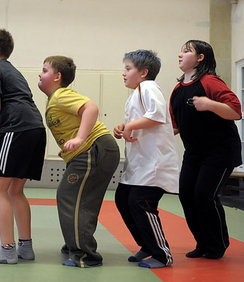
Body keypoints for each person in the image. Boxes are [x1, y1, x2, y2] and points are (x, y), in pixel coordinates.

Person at [38, 55, 120, 268]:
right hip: (92, 151)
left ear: (57, 76)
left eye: (45, 70)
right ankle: (75, 243)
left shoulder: (61, 95)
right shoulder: (54, 99)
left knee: (70, 196)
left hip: (94, 149)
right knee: (76, 198)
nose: (40, 73)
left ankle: (84, 254)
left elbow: (90, 108)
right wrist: (68, 144)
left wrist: (80, 138)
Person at [0, 29, 46, 264]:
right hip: (36, 129)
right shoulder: (12, 70)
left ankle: (7, 250)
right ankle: (25, 248)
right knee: (15, 190)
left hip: (16, 130)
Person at [170, 40, 242, 259]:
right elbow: (173, 127)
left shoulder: (210, 81)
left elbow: (235, 111)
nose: (180, 54)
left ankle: (217, 245)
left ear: (200, 57)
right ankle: (203, 242)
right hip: (194, 153)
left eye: (186, 51)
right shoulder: (177, 90)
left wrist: (210, 104)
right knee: (187, 196)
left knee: (204, 195)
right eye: (180, 50)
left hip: (220, 152)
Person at [113, 50, 179, 269]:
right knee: (123, 199)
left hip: (155, 164)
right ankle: (147, 245)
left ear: (144, 72)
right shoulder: (136, 92)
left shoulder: (149, 87)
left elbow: (156, 115)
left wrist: (130, 126)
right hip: (139, 164)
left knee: (141, 203)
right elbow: (141, 119)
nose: (124, 73)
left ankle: (162, 254)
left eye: (128, 68)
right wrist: (124, 126)